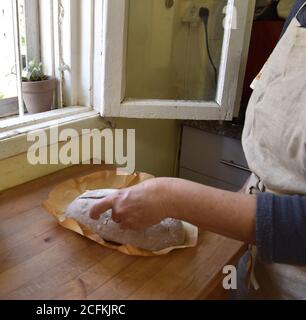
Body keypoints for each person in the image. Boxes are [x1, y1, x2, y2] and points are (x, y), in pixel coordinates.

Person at [89, 0, 306, 299]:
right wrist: (230, 215)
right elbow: (270, 159)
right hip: (256, 274)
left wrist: (172, 197)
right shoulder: (298, 10)